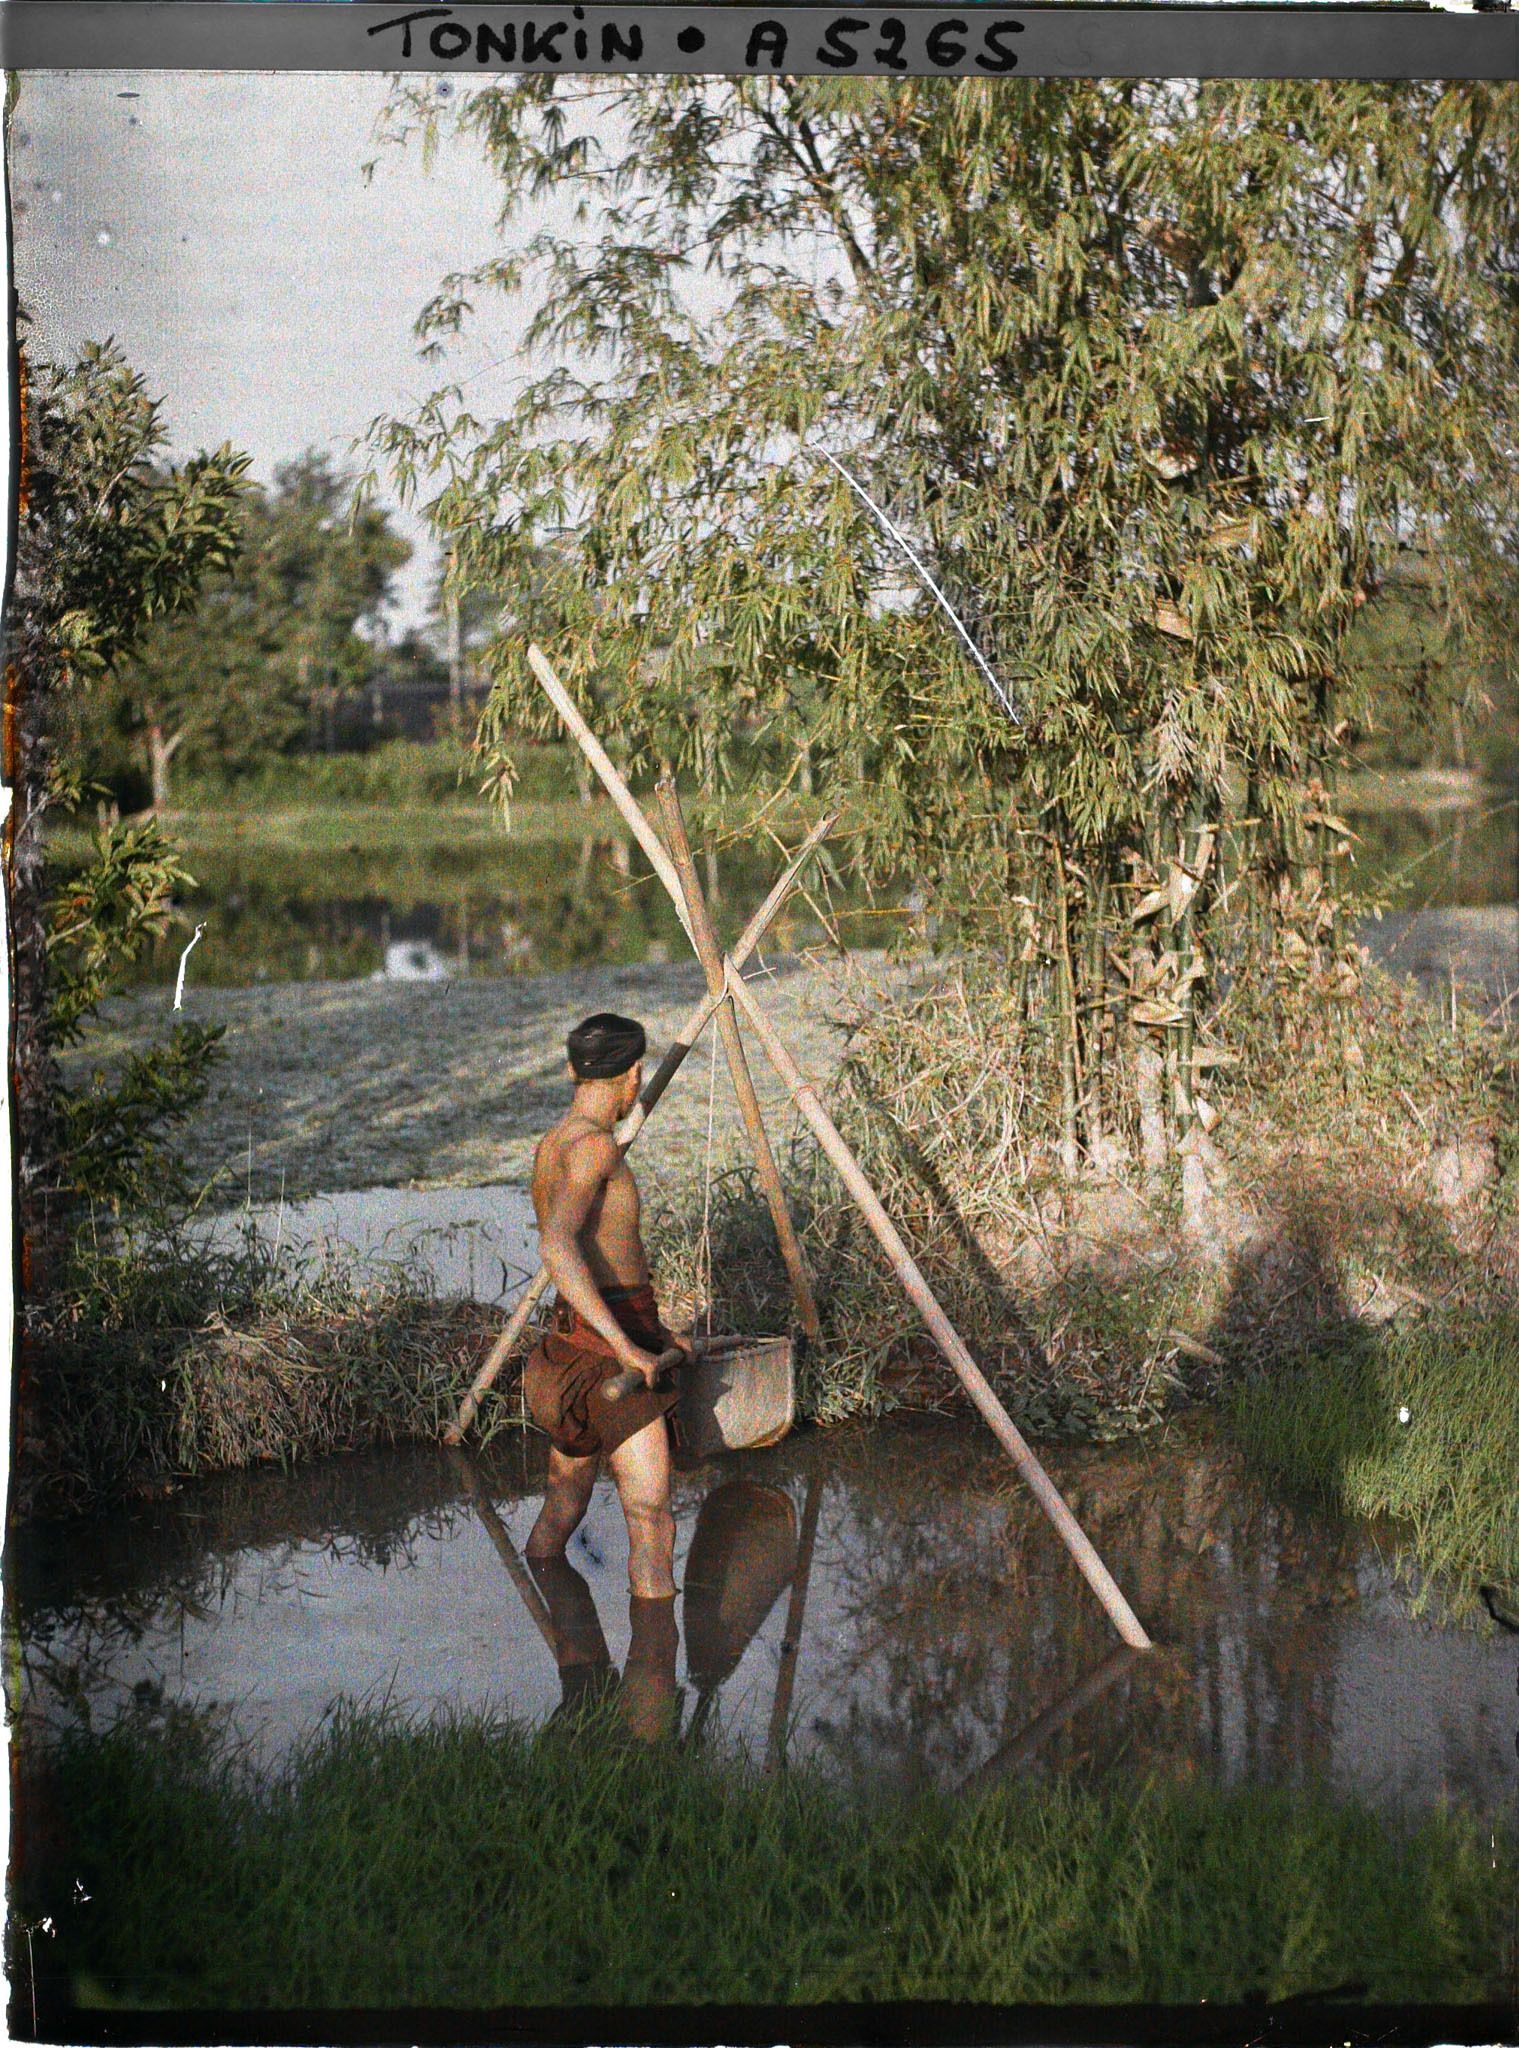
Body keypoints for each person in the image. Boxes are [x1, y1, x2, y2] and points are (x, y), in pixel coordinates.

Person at [522, 1012, 688, 1599]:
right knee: (652, 1521)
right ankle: (654, 1680)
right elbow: (558, 1246)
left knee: (562, 1509)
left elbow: (600, 1258)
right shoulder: (594, 1148)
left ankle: (573, 1664)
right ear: (635, 1073)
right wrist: (627, 1347)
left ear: (572, 1069)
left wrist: (658, 1335)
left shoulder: (554, 1143)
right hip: (607, 1361)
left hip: (565, 1353)